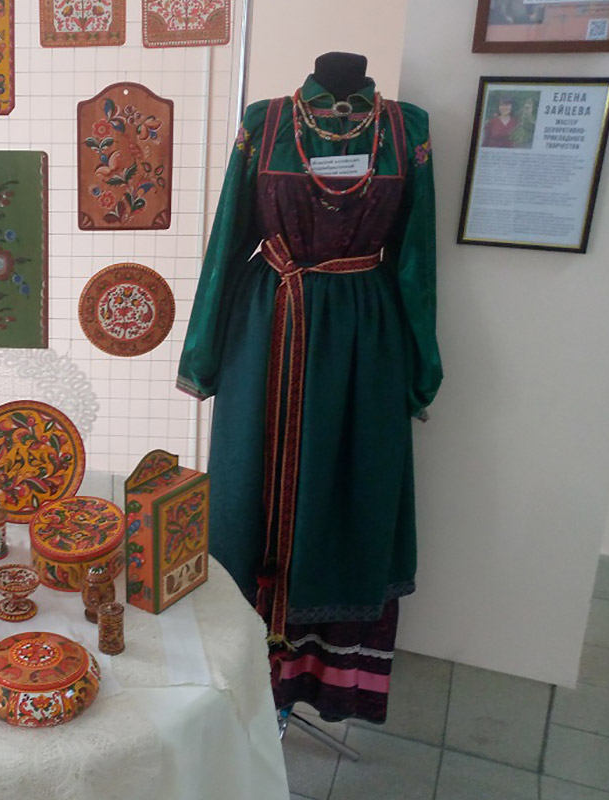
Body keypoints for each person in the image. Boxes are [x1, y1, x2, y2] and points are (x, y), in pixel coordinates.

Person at [177, 52, 441, 723]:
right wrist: (204, 351)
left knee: (349, 487)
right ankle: (240, 674)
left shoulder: (407, 129)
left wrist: (421, 367)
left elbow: (417, 258)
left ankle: (319, 680)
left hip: (364, 337)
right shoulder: (264, 123)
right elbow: (227, 238)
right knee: (248, 483)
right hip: (269, 326)